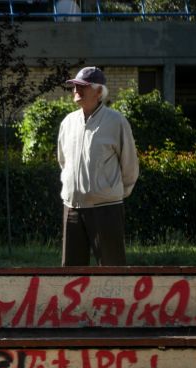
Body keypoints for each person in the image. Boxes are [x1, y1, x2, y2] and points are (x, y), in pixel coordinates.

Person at [57, 66, 139, 266]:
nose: (77, 90)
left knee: (112, 269)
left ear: (99, 91)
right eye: (75, 85)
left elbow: (130, 165)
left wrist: (112, 192)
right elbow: (63, 161)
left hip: (106, 208)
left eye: (83, 86)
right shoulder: (67, 123)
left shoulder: (116, 121)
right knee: (72, 272)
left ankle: (113, 299)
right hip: (72, 208)